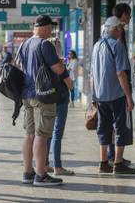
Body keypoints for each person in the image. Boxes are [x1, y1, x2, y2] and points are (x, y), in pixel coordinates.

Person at [19, 15, 72, 186]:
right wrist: (69, 81)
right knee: (42, 135)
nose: (51, 31)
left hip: (26, 94)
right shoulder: (45, 44)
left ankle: (27, 172)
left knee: (29, 135)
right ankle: (41, 175)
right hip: (44, 94)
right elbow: (57, 68)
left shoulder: (25, 44)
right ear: (45, 27)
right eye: (50, 28)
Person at [92, 16, 135, 174]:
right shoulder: (117, 46)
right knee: (120, 127)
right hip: (116, 95)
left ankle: (103, 162)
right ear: (115, 29)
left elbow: (93, 74)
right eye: (120, 28)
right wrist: (129, 97)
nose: (121, 31)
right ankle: (118, 163)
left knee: (103, 128)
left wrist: (93, 96)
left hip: (100, 95)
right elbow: (120, 73)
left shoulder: (96, 46)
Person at [107, 3, 132, 164]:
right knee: (118, 123)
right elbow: (120, 70)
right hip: (116, 86)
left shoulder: (116, 33)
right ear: (122, 15)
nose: (130, 18)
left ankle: (114, 156)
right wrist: (128, 95)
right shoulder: (117, 35)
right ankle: (114, 157)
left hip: (111, 87)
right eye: (128, 15)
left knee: (113, 123)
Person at [45, 38, 75, 176]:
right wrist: (71, 85)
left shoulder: (45, 63)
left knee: (47, 134)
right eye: (58, 46)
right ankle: (57, 166)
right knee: (57, 134)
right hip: (61, 100)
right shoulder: (60, 64)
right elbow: (69, 84)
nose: (61, 48)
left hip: (48, 99)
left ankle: (45, 164)